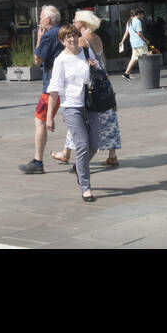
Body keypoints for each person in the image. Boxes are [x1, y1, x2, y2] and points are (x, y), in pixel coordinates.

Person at [53, 11, 120, 168]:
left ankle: (67, 154)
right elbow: (102, 60)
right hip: (102, 81)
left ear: (82, 23)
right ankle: (112, 154)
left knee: (80, 120)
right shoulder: (96, 37)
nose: (73, 23)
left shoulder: (82, 40)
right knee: (108, 119)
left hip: (88, 85)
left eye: (74, 20)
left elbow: (78, 61)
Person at [44, 24, 103, 202]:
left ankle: (79, 166)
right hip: (71, 107)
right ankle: (86, 187)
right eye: (67, 37)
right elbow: (54, 90)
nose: (71, 39)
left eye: (73, 35)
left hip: (91, 104)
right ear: (62, 42)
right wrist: (49, 117)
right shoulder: (61, 60)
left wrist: (94, 65)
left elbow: (100, 70)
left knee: (94, 144)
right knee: (83, 145)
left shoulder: (86, 52)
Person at [19, 5, 64, 174]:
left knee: (40, 121)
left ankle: (38, 162)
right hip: (66, 86)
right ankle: (69, 153)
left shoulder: (49, 35)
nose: (39, 21)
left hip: (51, 87)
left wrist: (39, 37)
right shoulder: (63, 32)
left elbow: (37, 60)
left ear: (47, 20)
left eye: (40, 18)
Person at [119, 6, 154, 81]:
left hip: (133, 43)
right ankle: (148, 74)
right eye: (142, 14)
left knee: (134, 58)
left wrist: (122, 41)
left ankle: (126, 74)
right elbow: (139, 34)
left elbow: (126, 32)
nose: (143, 16)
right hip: (140, 43)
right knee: (146, 57)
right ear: (138, 14)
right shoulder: (138, 21)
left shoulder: (129, 21)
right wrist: (146, 41)